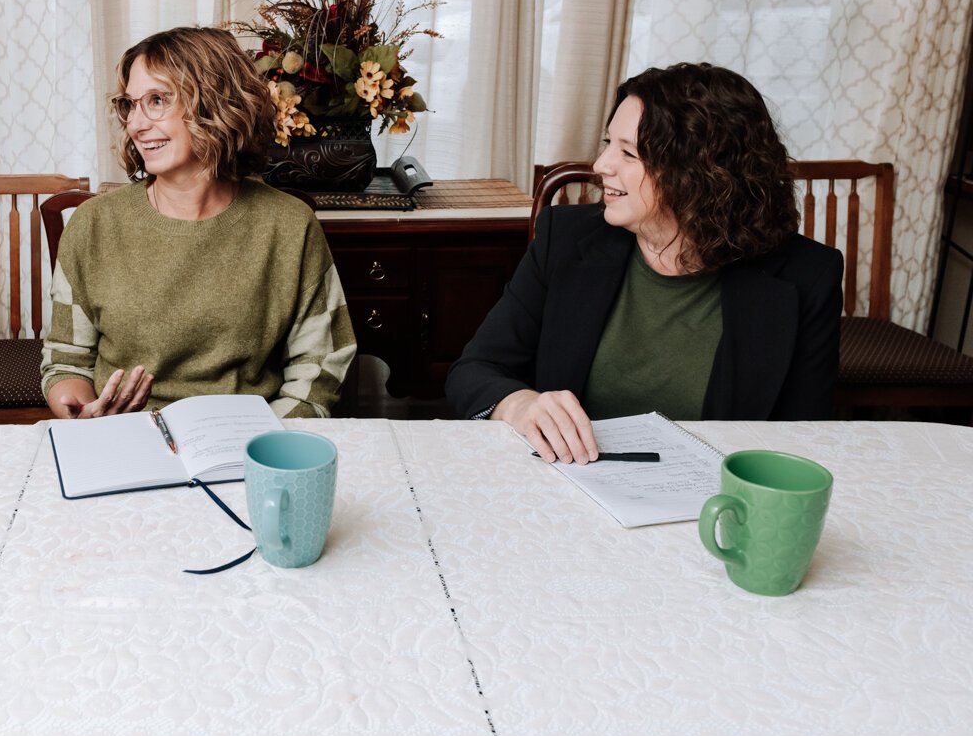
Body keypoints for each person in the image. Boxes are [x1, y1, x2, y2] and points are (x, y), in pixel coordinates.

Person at [445, 62, 841, 464]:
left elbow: (803, 435)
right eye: (607, 143)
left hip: (716, 499)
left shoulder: (805, 276)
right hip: (571, 484)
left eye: (628, 153)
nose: (601, 165)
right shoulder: (565, 240)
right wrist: (519, 404)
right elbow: (474, 370)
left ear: (701, 174)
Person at [41, 26, 357, 420]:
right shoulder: (93, 225)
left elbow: (319, 365)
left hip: (250, 444)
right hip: (125, 439)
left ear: (215, 102)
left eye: (156, 100)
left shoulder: (289, 224)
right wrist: (81, 410)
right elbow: (67, 361)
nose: (136, 124)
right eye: (131, 104)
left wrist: (265, 443)